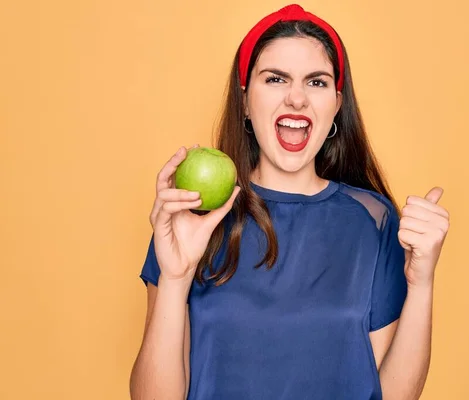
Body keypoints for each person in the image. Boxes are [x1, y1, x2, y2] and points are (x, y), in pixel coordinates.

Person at [129, 4, 450, 400]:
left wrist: (421, 283)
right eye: (276, 78)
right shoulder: (194, 219)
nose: (296, 98)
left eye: (316, 82)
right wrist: (175, 280)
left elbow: (396, 395)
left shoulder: (373, 221)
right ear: (245, 102)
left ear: (336, 104)